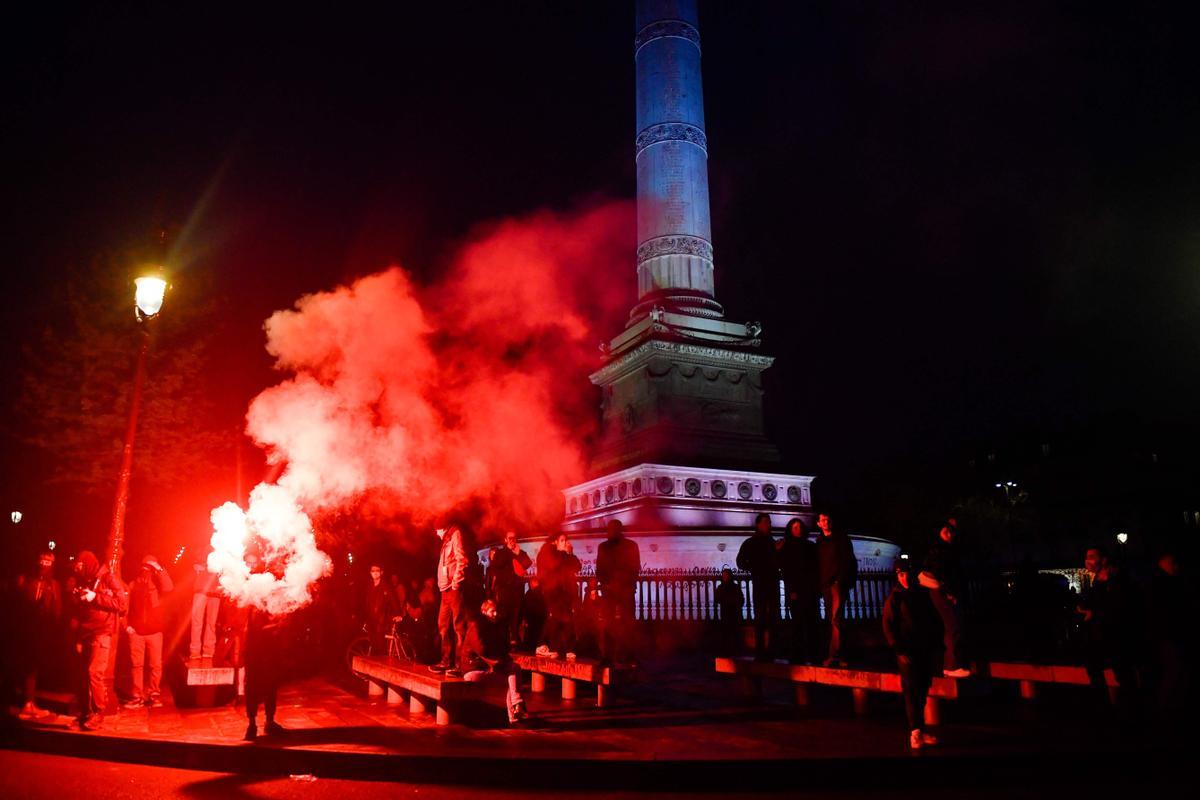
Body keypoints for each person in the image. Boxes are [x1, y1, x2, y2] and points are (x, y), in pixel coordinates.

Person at [882, 559, 944, 750]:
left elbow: (932, 619)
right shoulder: (895, 597)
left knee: (923, 688)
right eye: (900, 574)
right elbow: (888, 625)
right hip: (906, 652)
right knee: (911, 691)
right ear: (897, 576)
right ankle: (915, 732)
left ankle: (920, 730)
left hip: (923, 648)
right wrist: (898, 649)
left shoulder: (921, 594)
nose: (904, 577)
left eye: (906, 573)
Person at [69, 550, 127, 730]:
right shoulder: (87, 580)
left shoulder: (108, 578)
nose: (78, 569)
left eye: (80, 565)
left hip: (102, 633)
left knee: (95, 673)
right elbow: (83, 614)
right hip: (87, 633)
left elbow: (121, 603)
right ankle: (86, 713)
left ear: (88, 563)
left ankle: (98, 713)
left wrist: (95, 597)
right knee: (86, 674)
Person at [1077, 545, 1142, 702]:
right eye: (1087, 556)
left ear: (1104, 559)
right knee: (1094, 666)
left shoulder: (1116, 578)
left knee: (1122, 671)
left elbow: (1121, 606)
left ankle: (1131, 706)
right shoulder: (1098, 580)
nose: (1088, 560)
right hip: (1103, 634)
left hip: (1117, 634)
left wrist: (1095, 613)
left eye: (1092, 556)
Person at [461, 599, 528, 725]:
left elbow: (502, 649)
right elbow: (482, 650)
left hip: (486, 667)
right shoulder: (476, 626)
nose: (495, 614)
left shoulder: (493, 626)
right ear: (484, 612)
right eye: (492, 611)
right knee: (513, 676)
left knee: (514, 672)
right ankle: (516, 709)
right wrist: (499, 662)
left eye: (496, 611)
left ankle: (516, 708)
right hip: (473, 669)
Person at [918, 518, 970, 677]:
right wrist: (949, 592)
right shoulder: (940, 549)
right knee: (953, 625)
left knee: (952, 626)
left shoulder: (945, 549)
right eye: (946, 530)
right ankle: (952, 665)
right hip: (938, 588)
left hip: (939, 588)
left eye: (952, 531)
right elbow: (941, 572)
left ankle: (951, 665)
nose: (949, 533)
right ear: (940, 531)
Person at [15, 550, 62, 719]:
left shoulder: (54, 585)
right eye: (42, 560)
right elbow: (20, 606)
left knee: (34, 667)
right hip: (27, 630)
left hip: (43, 632)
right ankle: (26, 703)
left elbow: (57, 612)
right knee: (27, 666)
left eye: (49, 561)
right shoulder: (28, 581)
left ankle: (29, 702)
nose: (45, 564)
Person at [124, 554, 173, 708]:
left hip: (155, 632)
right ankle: (137, 696)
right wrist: (126, 626)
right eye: (144, 566)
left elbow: (169, 587)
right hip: (136, 632)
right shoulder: (133, 584)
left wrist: (159, 569)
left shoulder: (158, 585)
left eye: (150, 567)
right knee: (136, 665)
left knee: (155, 665)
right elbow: (125, 607)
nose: (146, 569)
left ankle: (153, 694)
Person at [595, 519, 641, 665]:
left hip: (619, 589)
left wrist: (608, 583)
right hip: (617, 589)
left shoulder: (605, 547)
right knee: (621, 623)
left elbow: (600, 569)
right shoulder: (630, 545)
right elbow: (635, 568)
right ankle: (622, 655)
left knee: (620, 623)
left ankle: (615, 655)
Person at [815, 511, 857, 667]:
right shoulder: (819, 542)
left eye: (828, 519)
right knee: (832, 619)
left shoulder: (841, 539)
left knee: (836, 618)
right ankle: (836, 654)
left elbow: (848, 561)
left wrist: (841, 579)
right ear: (819, 524)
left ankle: (836, 654)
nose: (826, 522)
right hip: (826, 585)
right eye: (823, 520)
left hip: (837, 584)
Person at [737, 513, 779, 661]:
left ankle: (772, 648)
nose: (769, 525)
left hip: (771, 582)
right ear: (758, 524)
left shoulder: (771, 542)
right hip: (761, 582)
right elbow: (740, 562)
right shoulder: (751, 542)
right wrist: (756, 568)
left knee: (773, 615)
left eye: (770, 522)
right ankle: (761, 649)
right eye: (767, 522)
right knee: (761, 616)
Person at [430, 524, 470, 677]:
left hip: (453, 589)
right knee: (443, 626)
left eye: (437, 529)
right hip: (444, 590)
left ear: (443, 527)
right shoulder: (446, 540)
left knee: (458, 626)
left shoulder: (455, 534)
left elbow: (462, 559)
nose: (436, 532)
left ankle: (460, 664)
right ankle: (446, 661)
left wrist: (456, 582)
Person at [778, 518, 819, 664]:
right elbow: (786, 571)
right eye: (795, 527)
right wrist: (791, 590)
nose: (798, 529)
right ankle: (797, 655)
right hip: (795, 591)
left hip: (810, 590)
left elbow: (816, 569)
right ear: (790, 529)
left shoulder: (810, 546)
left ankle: (814, 654)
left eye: (800, 526)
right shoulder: (786, 547)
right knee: (797, 624)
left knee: (812, 622)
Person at [536, 532, 581, 660]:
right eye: (562, 540)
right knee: (555, 618)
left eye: (566, 540)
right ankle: (543, 645)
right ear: (555, 541)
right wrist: (565, 553)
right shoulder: (547, 551)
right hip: (552, 591)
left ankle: (566, 648)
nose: (565, 543)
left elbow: (577, 567)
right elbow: (554, 565)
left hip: (564, 592)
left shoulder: (564, 554)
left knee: (566, 619)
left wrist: (570, 553)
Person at [486, 531, 532, 647]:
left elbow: (528, 563)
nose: (512, 541)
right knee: (503, 615)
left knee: (516, 616)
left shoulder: (520, 553)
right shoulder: (501, 553)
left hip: (516, 590)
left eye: (514, 538)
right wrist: (513, 554)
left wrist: (518, 554)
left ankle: (514, 640)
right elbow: (496, 566)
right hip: (504, 590)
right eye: (510, 538)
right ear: (505, 540)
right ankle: (503, 640)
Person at [362, 564, 401, 656]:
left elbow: (393, 601)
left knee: (381, 647)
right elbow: (366, 603)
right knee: (373, 645)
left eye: (377, 570)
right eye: (373, 570)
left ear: (381, 572)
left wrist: (398, 614)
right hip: (371, 620)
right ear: (370, 573)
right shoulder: (369, 587)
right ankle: (374, 666)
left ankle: (381, 665)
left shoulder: (386, 587)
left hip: (382, 620)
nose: (375, 573)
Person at [189, 559, 221, 660]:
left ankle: (208, 651)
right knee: (197, 621)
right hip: (200, 589)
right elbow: (195, 564)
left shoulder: (225, 551)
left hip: (215, 591)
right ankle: (195, 651)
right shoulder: (203, 550)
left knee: (211, 623)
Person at [714, 568, 745, 656]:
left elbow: (741, 600)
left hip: (732, 613)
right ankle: (729, 650)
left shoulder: (731, 587)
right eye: (724, 576)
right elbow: (717, 599)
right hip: (728, 613)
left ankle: (732, 650)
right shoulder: (724, 588)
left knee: (732, 633)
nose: (725, 577)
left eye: (726, 575)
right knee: (727, 633)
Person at [518, 575, 547, 652]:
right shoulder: (541, 593)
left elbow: (525, 607)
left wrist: (523, 618)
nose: (530, 584)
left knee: (530, 640)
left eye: (531, 582)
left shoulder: (531, 594)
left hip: (531, 621)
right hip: (539, 621)